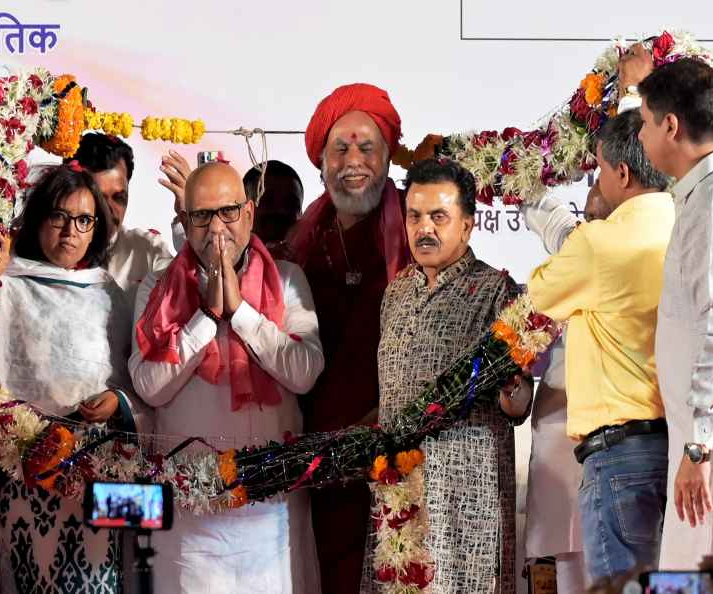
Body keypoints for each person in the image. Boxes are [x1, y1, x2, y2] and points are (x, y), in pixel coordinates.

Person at [130, 162, 324, 594]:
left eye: (228, 212)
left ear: (249, 214)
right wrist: (206, 317)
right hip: (191, 518)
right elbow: (149, 385)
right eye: (201, 215)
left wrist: (242, 314)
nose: (216, 227)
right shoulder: (158, 287)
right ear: (184, 221)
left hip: (271, 511)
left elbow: (305, 373)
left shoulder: (289, 282)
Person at [0, 163, 152, 593]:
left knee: (102, 581)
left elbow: (141, 386)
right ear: (38, 218)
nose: (71, 231)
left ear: (97, 228)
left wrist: (117, 401)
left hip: (100, 471)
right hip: (25, 474)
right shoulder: (7, 284)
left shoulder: (110, 294)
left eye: (84, 219)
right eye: (59, 216)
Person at [363, 158, 531, 594]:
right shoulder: (396, 292)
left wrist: (514, 392)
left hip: (466, 501)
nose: (424, 229)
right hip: (399, 493)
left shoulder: (498, 292)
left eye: (439, 217)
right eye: (415, 216)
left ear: (469, 225)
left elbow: (519, 404)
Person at [528, 109, 675, 581]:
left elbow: (539, 295)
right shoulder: (689, 221)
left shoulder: (599, 242)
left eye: (599, 170)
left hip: (620, 456)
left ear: (623, 173)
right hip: (679, 451)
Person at [288, 82, 411, 593]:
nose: (353, 160)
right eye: (339, 148)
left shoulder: (417, 231)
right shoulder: (301, 246)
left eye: (367, 146)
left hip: (394, 454)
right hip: (314, 463)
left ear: (387, 159)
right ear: (321, 162)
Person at [635, 57, 713, 566]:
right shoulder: (699, 194)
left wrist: (697, 447)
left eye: (647, 122)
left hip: (709, 445)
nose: (644, 136)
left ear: (670, 126)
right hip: (696, 439)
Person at [520, 183, 609, 593]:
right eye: (585, 218)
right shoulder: (576, 251)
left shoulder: (651, 250)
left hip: (623, 454)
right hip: (560, 450)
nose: (587, 219)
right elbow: (535, 201)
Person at [68, 132, 173, 305]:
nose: (108, 210)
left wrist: (190, 218)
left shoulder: (146, 251)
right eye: (98, 198)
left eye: (119, 197)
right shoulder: (47, 248)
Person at [243, 159, 304, 254]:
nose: (280, 211)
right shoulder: (218, 264)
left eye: (290, 204)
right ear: (243, 209)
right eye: (267, 201)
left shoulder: (315, 265)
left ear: (301, 213)